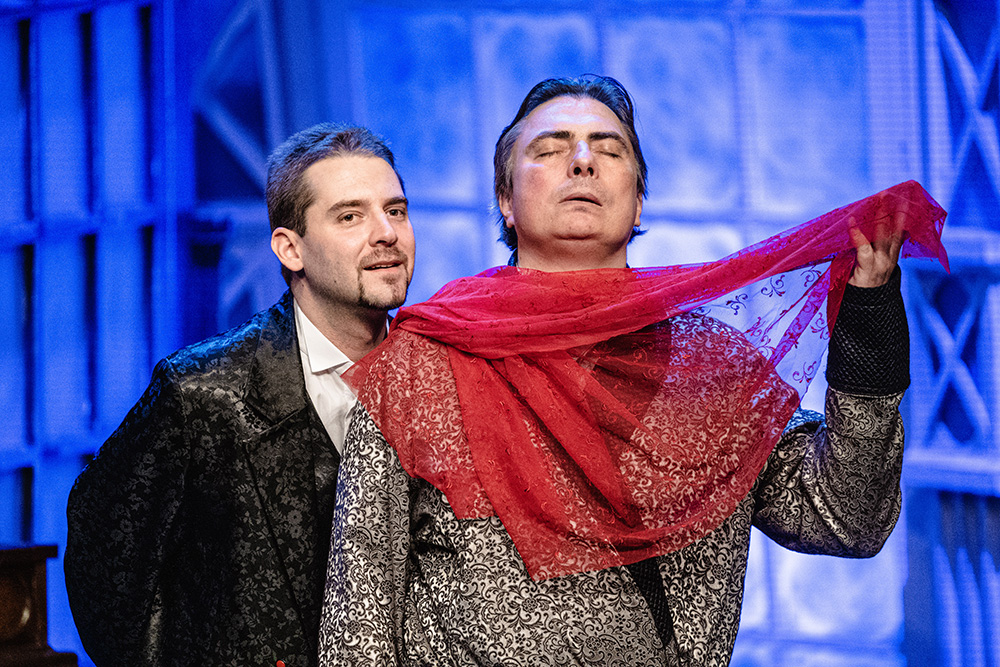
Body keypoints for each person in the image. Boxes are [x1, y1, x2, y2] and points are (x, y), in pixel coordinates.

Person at [317, 76, 947, 666]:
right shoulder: (425, 359)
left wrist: (869, 316)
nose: (582, 161)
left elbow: (846, 517)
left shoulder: (711, 369)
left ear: (639, 200)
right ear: (505, 201)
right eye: (550, 149)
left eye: (608, 149)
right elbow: (358, 609)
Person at [65, 123, 415, 667]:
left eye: (395, 210)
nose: (386, 233)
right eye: (350, 216)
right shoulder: (199, 392)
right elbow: (103, 560)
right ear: (290, 249)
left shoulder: (442, 380)